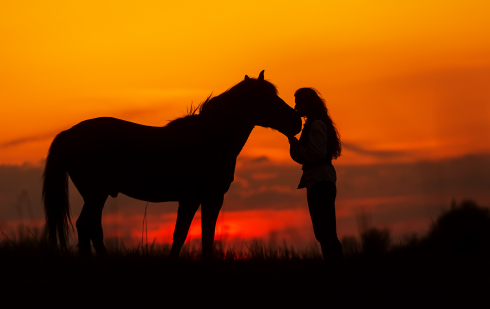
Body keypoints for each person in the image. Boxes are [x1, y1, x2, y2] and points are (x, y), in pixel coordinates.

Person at [288, 87, 343, 262]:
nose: (296, 106)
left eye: (298, 102)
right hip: (317, 181)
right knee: (322, 230)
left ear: (307, 103)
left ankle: (335, 266)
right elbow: (306, 155)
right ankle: (333, 265)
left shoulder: (316, 123)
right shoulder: (314, 123)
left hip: (320, 181)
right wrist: (295, 146)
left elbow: (317, 154)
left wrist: (300, 149)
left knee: (326, 230)